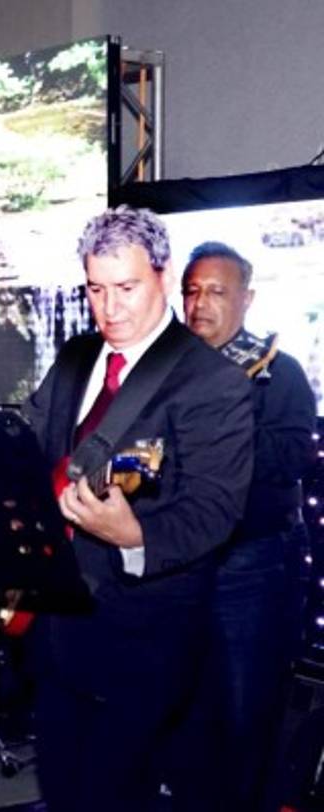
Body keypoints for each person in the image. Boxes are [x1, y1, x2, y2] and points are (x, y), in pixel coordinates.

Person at [24, 206, 254, 812]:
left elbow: (213, 510)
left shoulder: (211, 381)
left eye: (126, 288)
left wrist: (134, 536)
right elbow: (33, 448)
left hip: (144, 638)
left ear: (162, 275)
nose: (110, 307)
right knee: (63, 793)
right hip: (56, 630)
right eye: (96, 289)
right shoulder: (76, 358)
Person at [177, 241, 316, 810]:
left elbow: (291, 460)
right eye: (192, 291)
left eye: (216, 291)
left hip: (251, 565)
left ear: (247, 299)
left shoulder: (277, 374)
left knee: (246, 715)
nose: (200, 304)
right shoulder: (165, 371)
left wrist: (219, 434)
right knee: (187, 715)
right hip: (178, 564)